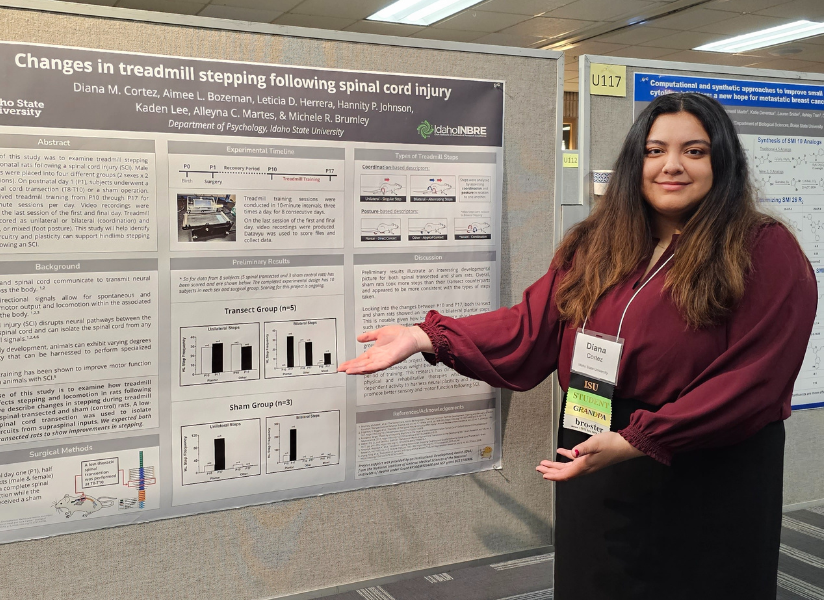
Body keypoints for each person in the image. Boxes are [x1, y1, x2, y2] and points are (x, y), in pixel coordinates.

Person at [338, 92, 817, 600]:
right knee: (598, 578)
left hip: (704, 460)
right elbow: (532, 326)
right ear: (636, 160)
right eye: (655, 151)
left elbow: (755, 379)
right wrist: (422, 336)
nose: (671, 166)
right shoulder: (598, 243)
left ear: (722, 161)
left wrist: (639, 439)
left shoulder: (761, 248)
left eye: (694, 151)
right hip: (594, 442)